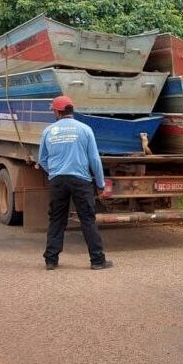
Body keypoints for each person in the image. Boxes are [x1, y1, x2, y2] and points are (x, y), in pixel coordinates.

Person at [38, 96, 112, 270]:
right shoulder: (85, 130)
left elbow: (42, 159)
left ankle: (51, 260)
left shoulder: (48, 131)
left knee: (56, 219)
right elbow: (94, 159)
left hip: (57, 181)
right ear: (71, 110)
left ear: (57, 112)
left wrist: (55, 172)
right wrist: (100, 184)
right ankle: (97, 261)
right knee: (87, 220)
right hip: (81, 180)